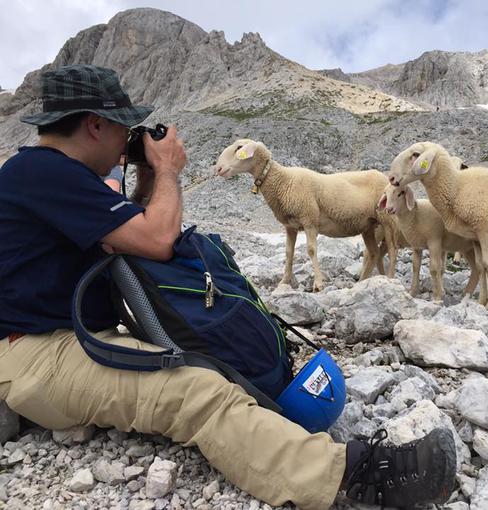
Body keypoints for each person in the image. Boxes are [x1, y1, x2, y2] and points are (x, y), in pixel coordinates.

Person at [0, 64, 457, 509]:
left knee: (209, 364)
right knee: (197, 392)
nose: (128, 138)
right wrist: (168, 172)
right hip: (38, 351)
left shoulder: (57, 176)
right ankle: (353, 475)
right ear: (95, 125)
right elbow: (158, 241)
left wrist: (147, 175)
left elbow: (134, 236)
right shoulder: (44, 172)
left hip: (68, 338)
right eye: (124, 127)